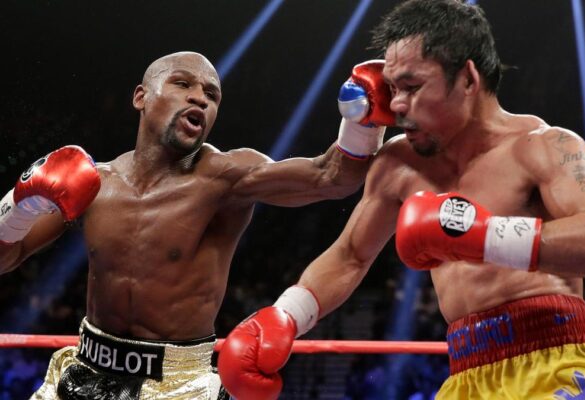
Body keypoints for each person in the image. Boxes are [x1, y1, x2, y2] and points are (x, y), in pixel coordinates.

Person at [218, 1, 585, 399]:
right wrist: (285, 315)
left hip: (557, 358)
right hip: (466, 372)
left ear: (468, 79)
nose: (397, 105)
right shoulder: (399, 163)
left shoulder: (542, 147)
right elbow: (350, 255)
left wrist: (485, 236)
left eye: (412, 87)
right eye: (392, 88)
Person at [0, 51, 394, 399]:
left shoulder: (225, 177)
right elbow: (7, 257)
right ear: (141, 97)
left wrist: (364, 118)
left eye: (211, 95)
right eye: (183, 83)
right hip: (85, 370)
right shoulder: (94, 184)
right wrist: (17, 205)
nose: (200, 98)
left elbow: (331, 177)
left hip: (180, 384)